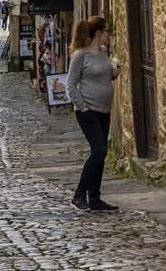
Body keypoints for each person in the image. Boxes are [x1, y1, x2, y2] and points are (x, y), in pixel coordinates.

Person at [66, 16, 120, 212]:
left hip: (104, 110)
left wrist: (112, 74)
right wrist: (83, 107)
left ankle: (95, 198)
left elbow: (101, 76)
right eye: (107, 32)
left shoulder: (104, 53)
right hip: (88, 112)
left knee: (100, 153)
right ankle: (79, 194)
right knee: (99, 150)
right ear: (99, 33)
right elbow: (70, 84)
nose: (109, 36)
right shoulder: (81, 55)